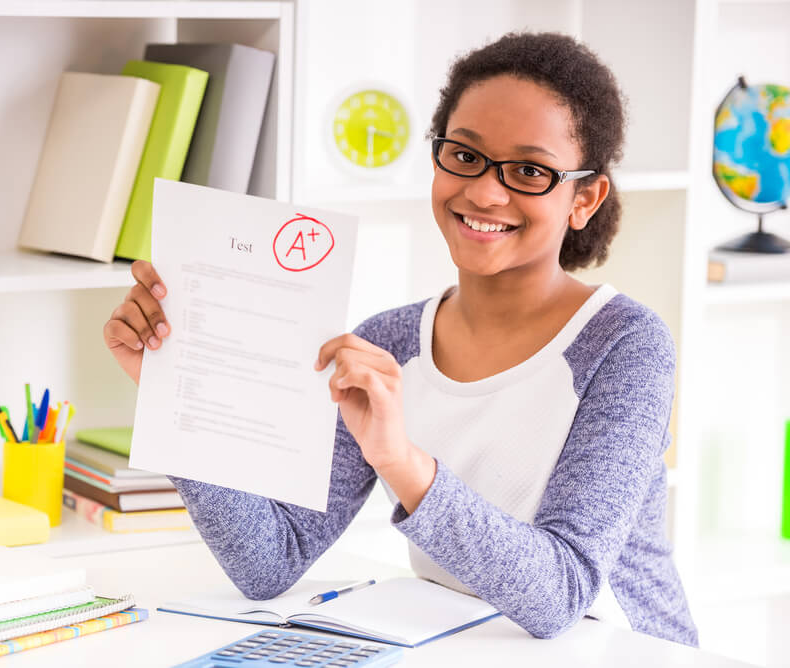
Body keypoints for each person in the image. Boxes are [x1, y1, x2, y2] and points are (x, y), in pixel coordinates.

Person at [102, 32, 698, 647]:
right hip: (462, 642)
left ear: (584, 198)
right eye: (464, 155)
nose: (486, 191)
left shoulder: (626, 345)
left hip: (621, 647)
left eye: (529, 171)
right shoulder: (387, 342)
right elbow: (270, 561)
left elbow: (562, 595)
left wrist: (402, 462)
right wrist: (173, 395)